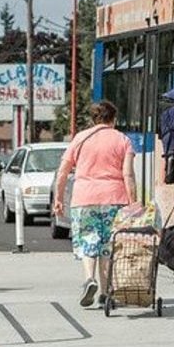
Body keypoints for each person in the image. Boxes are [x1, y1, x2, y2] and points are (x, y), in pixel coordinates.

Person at [52, 100, 137, 307]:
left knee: (88, 240)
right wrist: (133, 202)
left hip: (84, 198)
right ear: (113, 119)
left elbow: (62, 172)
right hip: (114, 199)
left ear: (94, 119)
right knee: (108, 245)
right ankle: (106, 292)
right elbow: (128, 174)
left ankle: (90, 278)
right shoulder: (123, 140)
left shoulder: (80, 138)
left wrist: (58, 198)